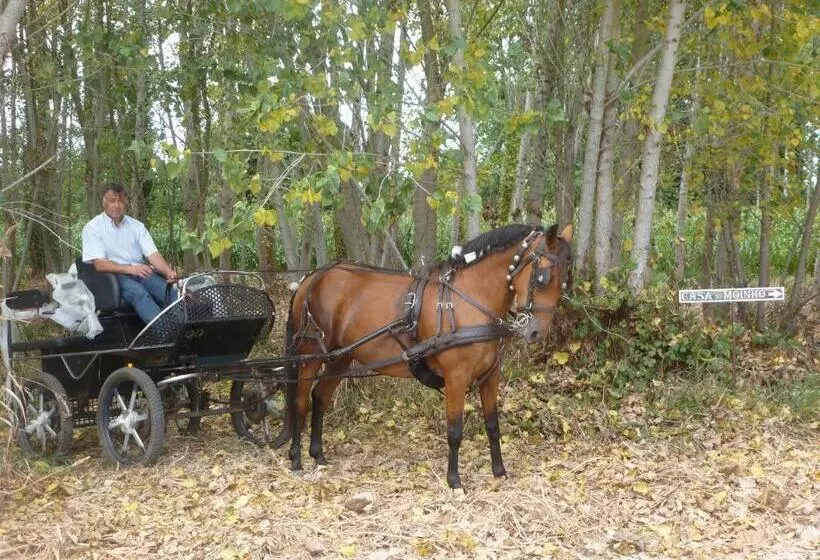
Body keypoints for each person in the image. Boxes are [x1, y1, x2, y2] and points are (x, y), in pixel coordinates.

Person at [82, 183, 178, 324]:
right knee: (138, 292)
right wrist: (131, 269)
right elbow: (100, 265)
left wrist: (168, 272)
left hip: (140, 272)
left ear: (125, 202)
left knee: (168, 291)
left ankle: (188, 329)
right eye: (112, 201)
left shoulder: (137, 226)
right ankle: (166, 332)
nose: (117, 205)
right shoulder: (93, 227)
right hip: (113, 277)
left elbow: (153, 254)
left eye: (120, 201)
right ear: (104, 202)